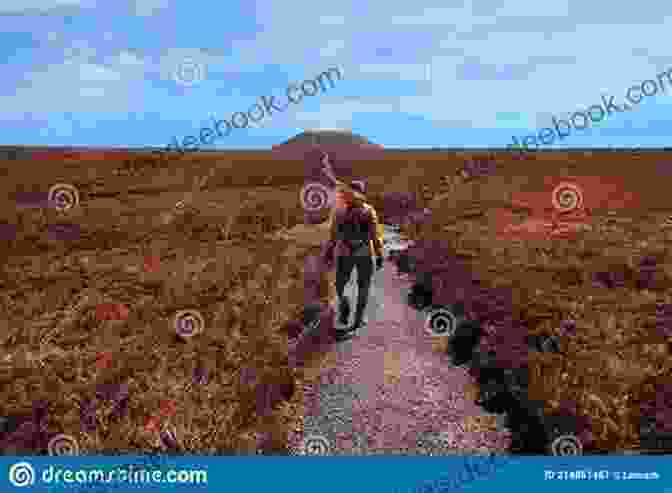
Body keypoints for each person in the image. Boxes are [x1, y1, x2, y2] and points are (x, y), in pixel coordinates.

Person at [326, 179, 384, 339]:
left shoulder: (339, 211)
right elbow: (375, 235)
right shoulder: (369, 210)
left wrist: (329, 251)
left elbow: (333, 235)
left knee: (340, 285)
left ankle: (345, 309)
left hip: (344, 253)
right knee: (363, 287)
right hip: (364, 253)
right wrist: (379, 254)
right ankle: (357, 321)